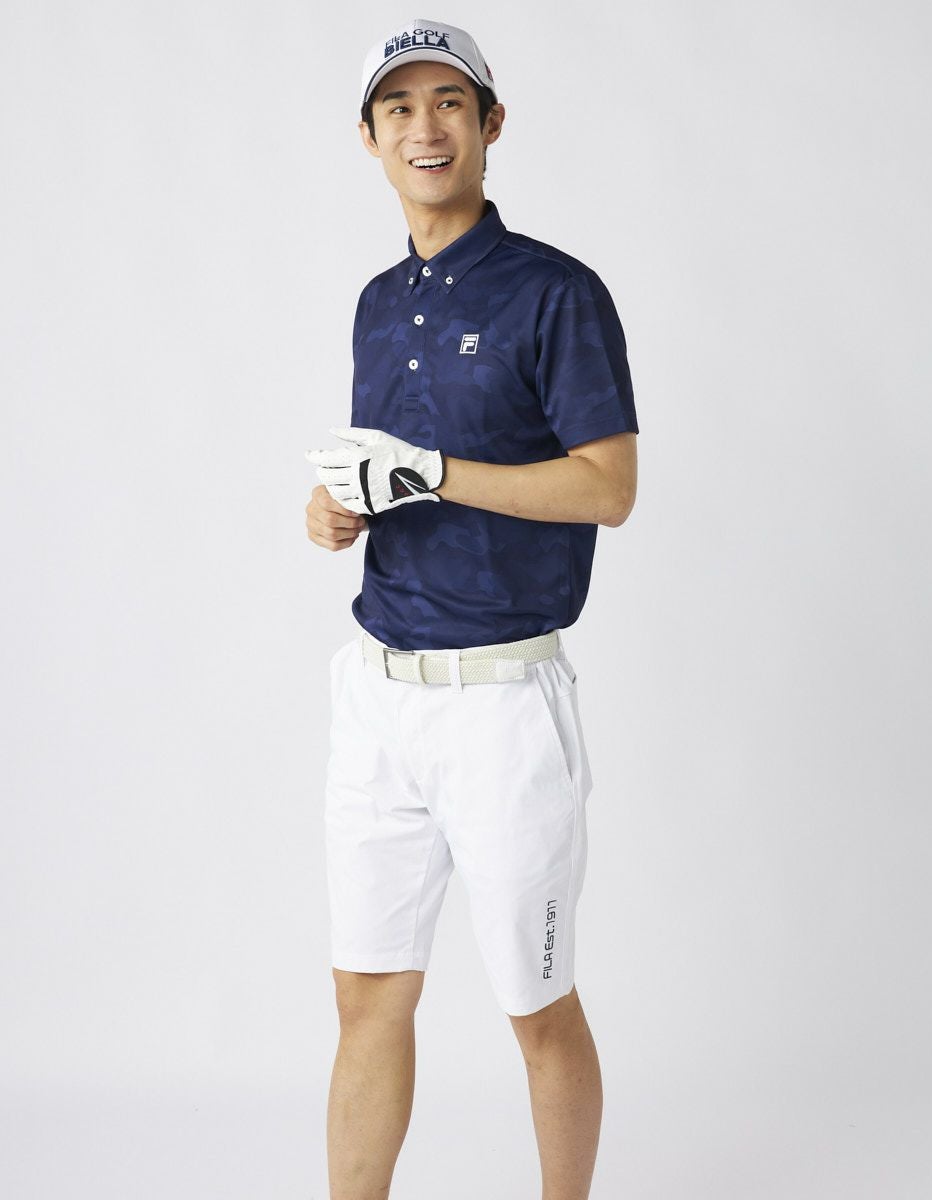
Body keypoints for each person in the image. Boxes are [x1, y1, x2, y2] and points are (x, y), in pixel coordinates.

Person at [303, 18, 639, 1200]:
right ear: (369, 137)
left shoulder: (556, 292)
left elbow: (608, 488)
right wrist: (339, 508)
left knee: (535, 1004)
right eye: (398, 107)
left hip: (503, 704)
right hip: (378, 696)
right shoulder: (377, 301)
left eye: (449, 102)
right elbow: (390, 474)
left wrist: (437, 473)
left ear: (491, 124)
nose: (424, 127)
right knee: (365, 994)